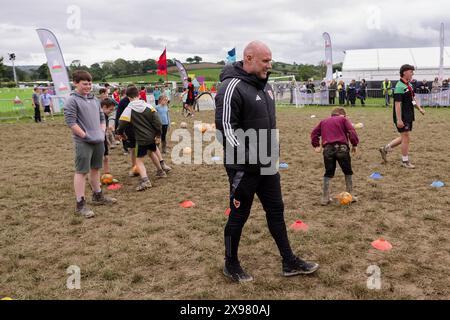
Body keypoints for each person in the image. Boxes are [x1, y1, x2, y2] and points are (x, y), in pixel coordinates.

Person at [215, 40, 319, 283]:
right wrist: (252, 158)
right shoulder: (231, 87)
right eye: (265, 61)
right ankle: (230, 264)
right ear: (249, 58)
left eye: (270, 60)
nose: (270, 66)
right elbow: (227, 130)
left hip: (268, 164)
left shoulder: (265, 86)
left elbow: (269, 125)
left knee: (276, 210)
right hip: (243, 167)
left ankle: (289, 261)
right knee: (239, 215)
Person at [63, 70, 117, 218]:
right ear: (75, 83)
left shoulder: (94, 99)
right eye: (84, 84)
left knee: (95, 169)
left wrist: (101, 132)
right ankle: (80, 204)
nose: (87, 86)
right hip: (83, 142)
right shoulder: (71, 100)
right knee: (81, 172)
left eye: (89, 83)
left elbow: (101, 118)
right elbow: (71, 122)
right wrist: (85, 135)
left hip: (98, 140)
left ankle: (97, 195)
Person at [116, 86, 171, 191]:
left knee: (139, 161)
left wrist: (120, 133)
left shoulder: (129, 109)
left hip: (140, 139)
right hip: (151, 136)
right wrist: (158, 134)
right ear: (139, 94)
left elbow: (121, 123)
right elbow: (158, 122)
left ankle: (145, 181)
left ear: (128, 97)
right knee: (151, 152)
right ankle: (160, 171)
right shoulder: (149, 106)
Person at [379, 64, 425, 168]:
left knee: (404, 137)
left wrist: (419, 108)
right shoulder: (399, 86)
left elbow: (412, 100)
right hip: (402, 116)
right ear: (404, 72)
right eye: (411, 71)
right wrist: (399, 120)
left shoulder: (409, 85)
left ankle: (385, 148)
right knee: (406, 137)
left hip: (408, 115)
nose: (412, 73)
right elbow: (397, 104)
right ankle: (405, 161)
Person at [311, 107, 359, 205]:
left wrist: (316, 145)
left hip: (328, 149)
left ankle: (325, 197)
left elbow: (314, 133)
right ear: (342, 114)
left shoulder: (323, 121)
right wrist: (354, 144)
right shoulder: (343, 119)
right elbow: (352, 132)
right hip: (342, 148)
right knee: (347, 171)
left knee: (328, 172)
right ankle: (350, 194)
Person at [115, 85, 138, 172]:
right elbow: (119, 117)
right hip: (128, 127)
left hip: (139, 127)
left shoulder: (140, 101)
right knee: (132, 148)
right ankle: (134, 166)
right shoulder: (123, 102)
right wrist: (118, 131)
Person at [100, 98, 116, 174]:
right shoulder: (98, 115)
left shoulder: (106, 115)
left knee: (106, 156)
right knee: (97, 159)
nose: (111, 111)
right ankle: (94, 179)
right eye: (110, 109)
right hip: (97, 139)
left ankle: (107, 174)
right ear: (104, 107)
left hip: (103, 139)